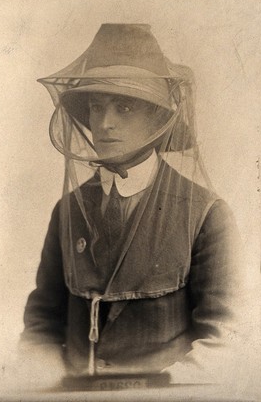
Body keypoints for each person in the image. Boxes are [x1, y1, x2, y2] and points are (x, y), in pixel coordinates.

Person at [20, 24, 241, 388]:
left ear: (157, 118)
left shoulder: (206, 215)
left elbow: (225, 342)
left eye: (124, 107)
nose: (104, 124)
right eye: (96, 107)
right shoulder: (68, 210)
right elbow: (42, 324)